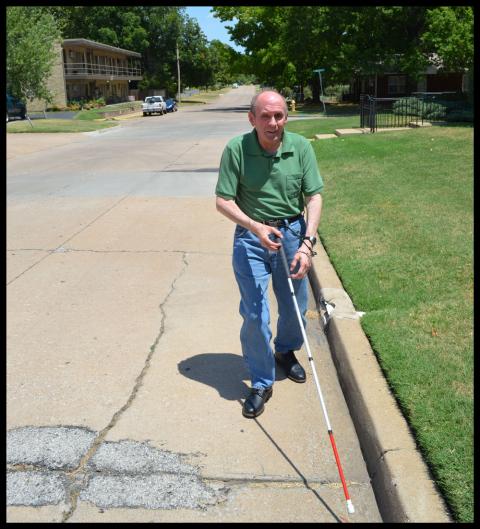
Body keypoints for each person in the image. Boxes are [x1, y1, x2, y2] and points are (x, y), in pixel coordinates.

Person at [215, 89, 324, 418]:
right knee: (255, 313)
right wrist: (255, 226)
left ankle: (285, 352)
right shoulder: (237, 149)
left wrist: (307, 243)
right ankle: (261, 381)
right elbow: (223, 201)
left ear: (286, 117)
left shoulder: (301, 148)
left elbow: (314, 198)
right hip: (251, 236)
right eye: (265, 116)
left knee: (295, 305)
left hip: (292, 233)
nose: (273, 122)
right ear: (252, 119)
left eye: (278, 116)